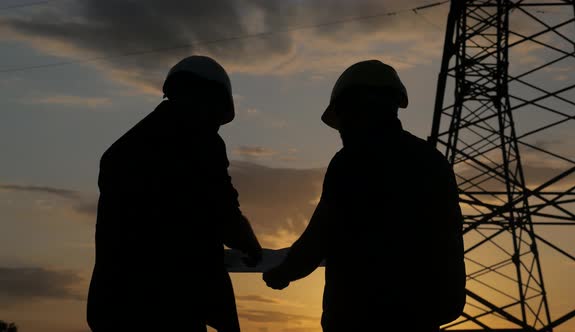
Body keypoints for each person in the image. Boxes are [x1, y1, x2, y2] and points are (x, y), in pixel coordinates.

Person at [262, 60, 466, 331]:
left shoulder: (352, 162)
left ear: (358, 108)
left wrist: (283, 273)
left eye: (343, 118)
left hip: (363, 314)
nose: (342, 130)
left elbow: (321, 235)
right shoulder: (433, 160)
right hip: (425, 311)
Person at [87, 55, 263, 332]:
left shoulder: (120, 152)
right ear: (209, 100)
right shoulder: (199, 139)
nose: (217, 126)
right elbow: (223, 211)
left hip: (113, 305)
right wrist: (251, 246)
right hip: (169, 304)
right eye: (217, 117)